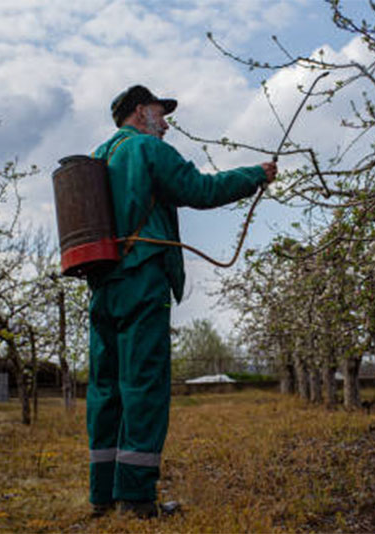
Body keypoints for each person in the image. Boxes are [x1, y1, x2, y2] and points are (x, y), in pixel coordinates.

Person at [85, 85, 277, 519]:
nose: (166, 122)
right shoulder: (148, 150)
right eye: (160, 112)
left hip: (101, 286)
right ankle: (135, 499)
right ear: (140, 112)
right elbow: (201, 190)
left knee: (105, 389)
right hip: (142, 276)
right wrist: (255, 175)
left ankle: (102, 496)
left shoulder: (98, 157)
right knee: (144, 385)